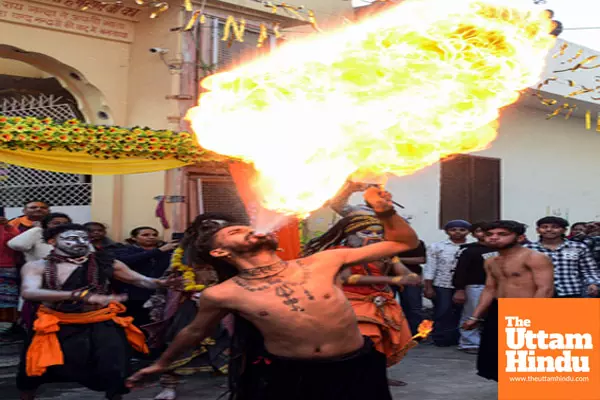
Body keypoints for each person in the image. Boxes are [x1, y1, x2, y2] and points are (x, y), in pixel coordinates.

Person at [128, 187, 419, 400]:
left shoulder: (323, 261)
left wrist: (385, 210)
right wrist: (161, 365)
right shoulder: (223, 293)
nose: (251, 231)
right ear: (219, 252)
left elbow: (403, 243)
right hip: (289, 374)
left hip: (355, 367)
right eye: (236, 232)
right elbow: (193, 333)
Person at [16, 223, 177, 400]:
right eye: (71, 238)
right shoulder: (37, 266)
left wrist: (160, 283)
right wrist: (80, 296)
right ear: (52, 241)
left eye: (84, 238)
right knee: (34, 371)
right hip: (57, 325)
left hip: (101, 323)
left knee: (115, 369)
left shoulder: (105, 262)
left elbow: (139, 280)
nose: (80, 242)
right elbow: (29, 292)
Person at [303, 213, 421, 386]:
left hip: (382, 301)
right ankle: (353, 376)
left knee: (382, 342)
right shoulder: (340, 253)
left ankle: (377, 376)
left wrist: (409, 276)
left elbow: (402, 271)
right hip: (350, 301)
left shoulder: (384, 252)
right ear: (351, 235)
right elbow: (347, 278)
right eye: (366, 233)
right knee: (364, 340)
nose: (374, 237)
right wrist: (392, 280)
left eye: (378, 233)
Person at [144, 215, 232, 400]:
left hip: (226, 303)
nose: (215, 231)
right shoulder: (184, 251)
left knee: (231, 342)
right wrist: (189, 290)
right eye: (209, 227)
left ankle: (234, 384)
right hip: (189, 303)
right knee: (178, 342)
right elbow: (172, 277)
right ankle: (168, 387)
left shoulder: (235, 250)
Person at [462, 220, 554, 382]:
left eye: (502, 234)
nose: (494, 238)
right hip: (499, 310)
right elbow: (490, 289)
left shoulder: (535, 257)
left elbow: (545, 289)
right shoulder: (491, 260)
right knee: (497, 358)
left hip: (526, 308)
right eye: (490, 234)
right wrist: (475, 317)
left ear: (520, 238)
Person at [113, 227, 178, 327]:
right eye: (145, 235)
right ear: (134, 238)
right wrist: (159, 251)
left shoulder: (168, 251)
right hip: (134, 295)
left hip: (160, 294)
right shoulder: (125, 250)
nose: (151, 237)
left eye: (154, 235)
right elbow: (127, 261)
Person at [525, 217, 599, 298]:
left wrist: (593, 283)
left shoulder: (578, 247)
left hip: (571, 291)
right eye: (544, 227)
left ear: (564, 230)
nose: (549, 229)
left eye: (555, 227)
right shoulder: (528, 248)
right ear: (537, 230)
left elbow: (589, 269)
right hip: (538, 293)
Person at [423, 219, 471, 347]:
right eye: (453, 230)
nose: (457, 233)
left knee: (463, 311)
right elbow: (430, 267)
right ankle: (441, 338)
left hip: (466, 284)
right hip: (442, 284)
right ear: (447, 231)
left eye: (462, 230)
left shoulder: (473, 246)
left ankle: (459, 338)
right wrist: (428, 287)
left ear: (468, 231)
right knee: (443, 311)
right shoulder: (437, 246)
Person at [452, 222, 497, 354]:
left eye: (488, 231)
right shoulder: (469, 250)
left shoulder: (502, 249)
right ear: (473, 234)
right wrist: (460, 289)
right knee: (472, 313)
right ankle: (469, 343)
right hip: (476, 286)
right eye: (480, 231)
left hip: (500, 286)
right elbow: (460, 271)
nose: (484, 234)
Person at [396, 240, 426, 335]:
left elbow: (421, 259)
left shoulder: (416, 243)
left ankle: (417, 333)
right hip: (386, 277)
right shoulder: (383, 243)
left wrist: (396, 260)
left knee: (414, 307)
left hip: (411, 278)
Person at [0, 216, 20, 331]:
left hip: (6, 268)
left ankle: (4, 328)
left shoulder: (8, 228)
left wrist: (8, 227)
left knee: (7, 299)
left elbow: (17, 244)